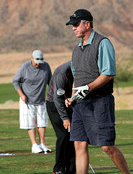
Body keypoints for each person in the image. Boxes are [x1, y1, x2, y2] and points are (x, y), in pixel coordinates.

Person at [65, 9, 130, 174]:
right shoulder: (75, 50)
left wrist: (87, 88)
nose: (73, 28)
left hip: (100, 101)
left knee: (107, 146)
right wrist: (72, 97)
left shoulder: (103, 43)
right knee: (79, 144)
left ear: (87, 24)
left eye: (76, 24)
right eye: (72, 25)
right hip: (81, 104)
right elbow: (77, 77)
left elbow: (108, 74)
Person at [13, 50, 52, 154]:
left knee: (42, 123)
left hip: (41, 99)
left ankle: (42, 144)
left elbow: (50, 81)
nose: (38, 63)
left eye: (40, 61)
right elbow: (15, 81)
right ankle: (34, 145)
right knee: (31, 124)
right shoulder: (24, 67)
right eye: (36, 61)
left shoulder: (46, 66)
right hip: (27, 101)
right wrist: (21, 94)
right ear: (31, 58)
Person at [46, 61, 76, 174]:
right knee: (63, 135)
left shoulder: (80, 69)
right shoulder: (62, 72)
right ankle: (58, 169)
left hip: (68, 102)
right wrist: (65, 118)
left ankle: (72, 169)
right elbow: (57, 98)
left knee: (73, 136)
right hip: (53, 104)